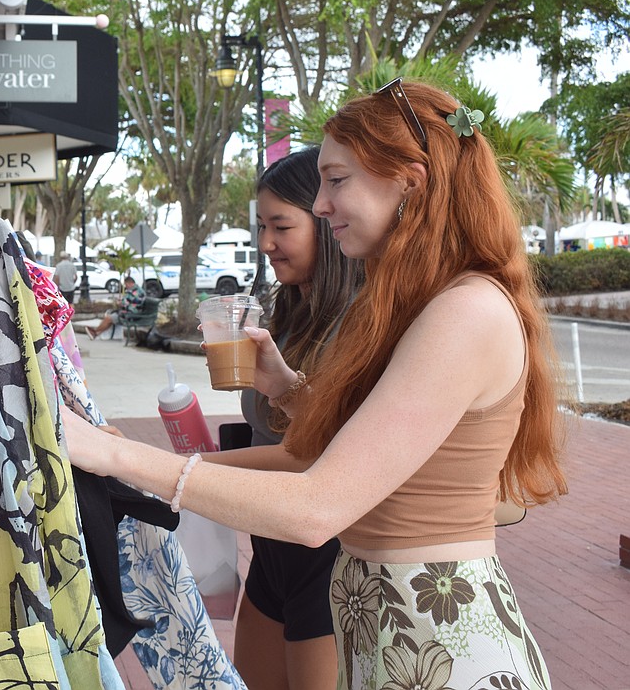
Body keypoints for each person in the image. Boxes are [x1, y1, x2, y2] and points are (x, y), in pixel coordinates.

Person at [63, 79, 567, 689]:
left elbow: (316, 507)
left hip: (445, 642)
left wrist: (120, 455)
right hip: (392, 631)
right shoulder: (425, 304)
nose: (321, 204)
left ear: (410, 181)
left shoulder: (465, 312)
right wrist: (291, 391)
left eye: (336, 179)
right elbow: (375, 446)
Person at [207, 147, 363, 690]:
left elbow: (314, 455)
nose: (266, 243)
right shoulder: (287, 310)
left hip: (329, 555)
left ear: (325, 222)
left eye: (281, 226)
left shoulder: (363, 322)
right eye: (260, 227)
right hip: (272, 548)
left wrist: (190, 469)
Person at [85, 275, 145, 340]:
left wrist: (120, 303)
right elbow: (129, 301)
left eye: (126, 284)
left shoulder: (135, 291)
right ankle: (96, 333)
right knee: (110, 318)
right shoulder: (135, 290)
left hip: (132, 314)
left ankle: (95, 332)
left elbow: (128, 303)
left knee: (109, 318)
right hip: (132, 312)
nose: (125, 286)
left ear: (130, 283)